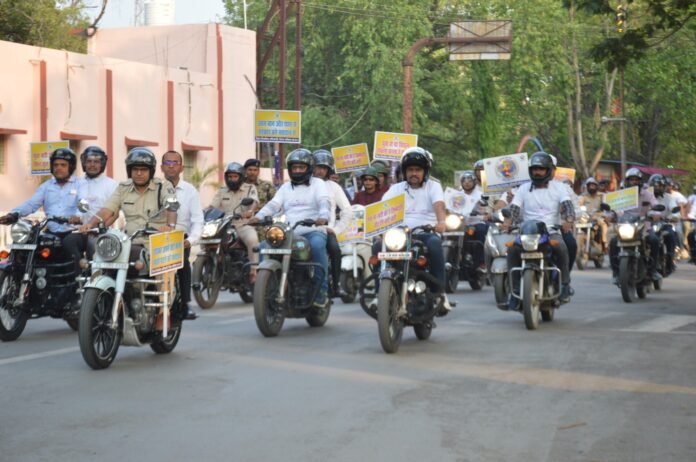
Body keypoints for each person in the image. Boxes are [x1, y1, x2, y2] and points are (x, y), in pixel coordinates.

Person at [78, 148, 180, 314]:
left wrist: (170, 225)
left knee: (163, 270)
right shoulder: (123, 188)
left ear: (151, 171)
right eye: (135, 169)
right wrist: (90, 224)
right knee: (102, 258)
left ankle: (163, 311)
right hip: (130, 240)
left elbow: (172, 207)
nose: (139, 173)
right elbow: (108, 210)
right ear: (129, 171)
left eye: (143, 169)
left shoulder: (163, 186)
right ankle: (101, 298)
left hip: (155, 240)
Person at [247, 149, 332, 308]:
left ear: (309, 168)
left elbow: (323, 202)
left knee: (317, 246)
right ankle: (266, 286)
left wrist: (323, 216)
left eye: (301, 167)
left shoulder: (318, 184)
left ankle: (321, 290)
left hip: (313, 230)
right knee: (264, 246)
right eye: (294, 167)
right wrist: (258, 217)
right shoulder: (285, 187)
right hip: (289, 231)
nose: (297, 171)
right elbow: (273, 205)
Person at [0, 148, 82, 308]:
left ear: (71, 167)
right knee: (27, 248)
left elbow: (84, 204)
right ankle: (30, 286)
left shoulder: (80, 185)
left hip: (72, 231)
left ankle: (77, 292)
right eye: (56, 165)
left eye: (63, 165)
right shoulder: (47, 186)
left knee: (70, 248)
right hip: (51, 231)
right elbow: (32, 204)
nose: (58, 168)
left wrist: (77, 216)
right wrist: (14, 214)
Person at [379, 147, 452, 311]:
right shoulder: (396, 189)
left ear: (425, 171)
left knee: (435, 244)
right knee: (378, 246)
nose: (414, 173)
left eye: (418, 170)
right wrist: (375, 228)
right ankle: (380, 293)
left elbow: (439, 205)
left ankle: (439, 292)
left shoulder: (433, 186)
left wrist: (441, 221)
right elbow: (382, 208)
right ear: (404, 172)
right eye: (410, 170)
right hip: (399, 234)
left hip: (425, 232)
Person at [506, 151, 575, 311]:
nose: (537, 172)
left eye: (541, 169)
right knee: (512, 251)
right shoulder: (523, 188)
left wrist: (568, 220)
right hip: (527, 232)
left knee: (562, 247)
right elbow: (514, 208)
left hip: (550, 230)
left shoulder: (560, 188)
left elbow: (568, 206)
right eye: (535, 169)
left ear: (549, 170)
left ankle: (564, 284)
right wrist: (508, 220)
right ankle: (514, 291)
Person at [62, 146, 118, 276]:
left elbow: (115, 213)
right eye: (89, 161)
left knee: (93, 246)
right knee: (68, 242)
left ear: (102, 164)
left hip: (101, 232)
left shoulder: (111, 185)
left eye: (96, 162)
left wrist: (101, 227)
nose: (92, 165)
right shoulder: (76, 183)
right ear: (83, 163)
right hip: (79, 230)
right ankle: (78, 276)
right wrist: (73, 218)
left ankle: (96, 279)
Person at [161, 150, 203, 320]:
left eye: (175, 163)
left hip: (180, 237)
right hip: (157, 236)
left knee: (183, 264)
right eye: (168, 163)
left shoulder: (190, 191)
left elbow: (198, 220)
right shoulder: (155, 187)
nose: (171, 166)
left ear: (182, 167)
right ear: (161, 167)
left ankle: (185, 303)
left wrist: (191, 240)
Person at [607, 168, 661, 284]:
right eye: (631, 180)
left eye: (636, 180)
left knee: (654, 240)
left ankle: (653, 270)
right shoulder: (621, 195)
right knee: (613, 242)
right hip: (625, 226)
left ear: (640, 181)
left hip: (643, 226)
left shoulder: (647, 194)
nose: (634, 182)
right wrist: (610, 216)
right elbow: (613, 209)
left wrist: (656, 214)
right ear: (627, 181)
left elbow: (655, 205)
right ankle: (616, 272)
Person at [210, 161, 261, 284]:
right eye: (230, 176)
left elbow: (254, 202)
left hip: (242, 224)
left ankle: (254, 271)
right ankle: (214, 261)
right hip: (224, 224)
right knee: (208, 238)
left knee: (253, 240)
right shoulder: (222, 191)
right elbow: (212, 206)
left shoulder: (250, 188)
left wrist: (250, 211)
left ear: (241, 177)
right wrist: (204, 212)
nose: (232, 179)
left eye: (235, 176)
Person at [312, 150, 353, 297]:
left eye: (324, 168)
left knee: (335, 250)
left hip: (326, 230)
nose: (320, 171)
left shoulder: (334, 187)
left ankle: (336, 285)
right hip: (302, 229)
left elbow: (348, 211)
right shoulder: (302, 184)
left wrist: (336, 229)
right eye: (318, 167)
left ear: (328, 170)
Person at [451, 170, 488, 270]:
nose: (467, 183)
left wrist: (481, 211)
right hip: (460, 223)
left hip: (476, 221)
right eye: (464, 181)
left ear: (474, 182)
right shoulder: (457, 194)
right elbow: (451, 207)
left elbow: (485, 207)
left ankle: (481, 261)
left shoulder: (480, 194)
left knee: (481, 231)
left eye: (469, 181)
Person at [648, 174, 679, 274]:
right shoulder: (645, 196)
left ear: (664, 186)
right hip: (648, 224)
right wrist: (650, 215)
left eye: (659, 185)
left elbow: (674, 209)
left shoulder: (669, 198)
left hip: (664, 223)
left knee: (671, 234)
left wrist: (674, 216)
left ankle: (670, 259)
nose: (657, 187)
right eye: (655, 185)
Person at [579, 177, 609, 252]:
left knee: (603, 224)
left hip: (598, 216)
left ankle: (605, 243)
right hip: (586, 217)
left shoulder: (601, 196)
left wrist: (605, 206)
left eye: (593, 185)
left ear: (596, 186)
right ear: (587, 187)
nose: (592, 187)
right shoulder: (583, 197)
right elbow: (578, 205)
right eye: (590, 185)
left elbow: (608, 203)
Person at [686, 185, 696, 263]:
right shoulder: (691, 197)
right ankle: (693, 255)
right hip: (692, 219)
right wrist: (687, 216)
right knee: (690, 235)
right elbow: (688, 208)